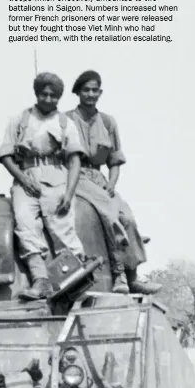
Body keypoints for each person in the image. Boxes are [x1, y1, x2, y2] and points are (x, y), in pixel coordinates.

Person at [66, 70, 161, 295]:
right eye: (85, 90)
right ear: (78, 92)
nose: (90, 94)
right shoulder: (66, 120)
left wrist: (112, 182)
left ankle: (132, 275)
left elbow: (115, 160)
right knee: (109, 215)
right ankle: (118, 274)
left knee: (126, 217)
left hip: (99, 179)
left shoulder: (108, 122)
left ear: (100, 92)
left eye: (94, 90)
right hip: (75, 176)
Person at [0, 72, 86, 300]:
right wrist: (23, 178)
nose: (48, 99)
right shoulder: (20, 119)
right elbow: (6, 155)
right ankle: (41, 280)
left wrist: (69, 191)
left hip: (56, 174)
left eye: (54, 96)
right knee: (25, 226)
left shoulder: (66, 123)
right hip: (25, 175)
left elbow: (75, 158)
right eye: (44, 94)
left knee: (62, 228)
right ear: (37, 94)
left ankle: (74, 280)